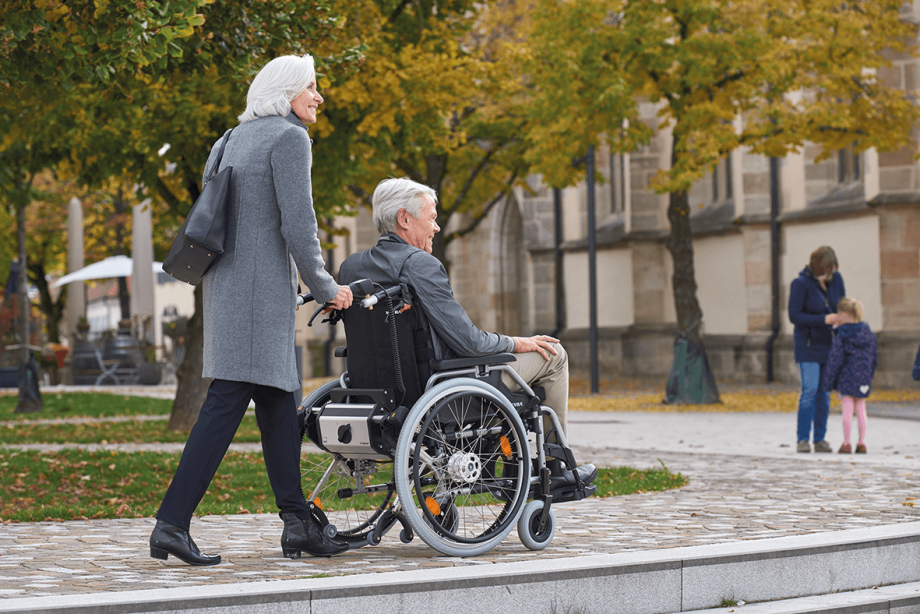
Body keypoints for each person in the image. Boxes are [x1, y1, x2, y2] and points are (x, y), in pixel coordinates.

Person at [150, 55, 353, 566]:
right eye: (311, 86)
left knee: (281, 404)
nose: (319, 96)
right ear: (286, 92)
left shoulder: (229, 139)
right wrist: (326, 286)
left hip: (225, 289)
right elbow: (298, 226)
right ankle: (171, 524)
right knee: (226, 404)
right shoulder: (289, 139)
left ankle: (297, 523)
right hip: (260, 295)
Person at [337, 177, 596, 487]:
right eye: (432, 218)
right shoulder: (420, 264)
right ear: (405, 219)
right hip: (446, 390)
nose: (437, 228)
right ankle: (554, 471)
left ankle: (521, 458)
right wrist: (520, 342)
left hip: (379, 393)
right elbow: (470, 342)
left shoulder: (351, 267)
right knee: (553, 355)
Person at [788, 246, 845, 453]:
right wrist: (823, 319)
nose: (829, 274)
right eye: (826, 269)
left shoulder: (836, 281)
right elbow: (794, 316)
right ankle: (802, 438)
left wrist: (843, 317)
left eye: (832, 270)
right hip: (808, 346)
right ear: (817, 266)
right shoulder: (801, 284)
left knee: (824, 393)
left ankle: (820, 438)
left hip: (829, 345)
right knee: (810, 390)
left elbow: (841, 305)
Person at [823, 298, 877, 454]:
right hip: (863, 377)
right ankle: (862, 443)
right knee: (861, 409)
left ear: (844, 314)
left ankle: (846, 443)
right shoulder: (869, 334)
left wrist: (829, 382)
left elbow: (835, 359)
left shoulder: (842, 335)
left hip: (846, 376)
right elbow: (874, 358)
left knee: (847, 410)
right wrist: (869, 376)